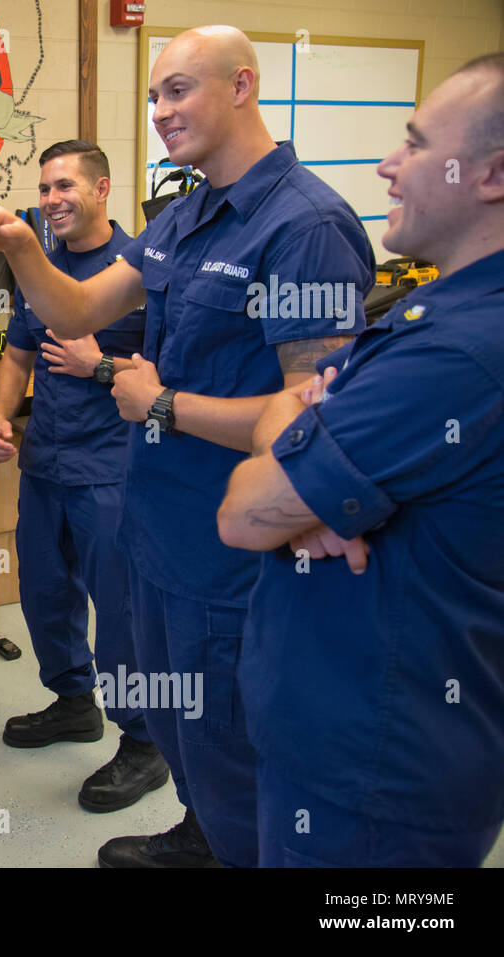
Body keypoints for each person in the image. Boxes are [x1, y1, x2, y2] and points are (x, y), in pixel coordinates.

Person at [0, 26, 375, 867]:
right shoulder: (184, 217)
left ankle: (236, 846)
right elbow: (77, 310)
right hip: (160, 532)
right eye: (154, 96)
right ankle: (201, 831)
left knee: (228, 735)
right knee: (181, 724)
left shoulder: (305, 226)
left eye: (179, 90)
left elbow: (314, 410)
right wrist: (21, 248)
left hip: (235, 554)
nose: (161, 111)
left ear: (243, 86)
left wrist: (164, 404)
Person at [218, 53, 504, 867]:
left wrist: (294, 488)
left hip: (375, 781)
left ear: (492, 175)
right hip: (350, 739)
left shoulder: (458, 352)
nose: (386, 164)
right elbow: (293, 402)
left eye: (414, 144)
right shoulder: (434, 311)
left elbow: (243, 513)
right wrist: (307, 481)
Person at [0, 140, 168, 813]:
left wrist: (101, 364)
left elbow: (172, 383)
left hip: (113, 469)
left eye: (66, 185)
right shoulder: (40, 266)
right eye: (45, 188)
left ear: (103, 188)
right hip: (47, 463)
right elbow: (17, 352)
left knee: (119, 611)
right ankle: (72, 701)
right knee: (44, 590)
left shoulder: (142, 269)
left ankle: (146, 742)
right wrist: (2, 416)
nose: (53, 199)